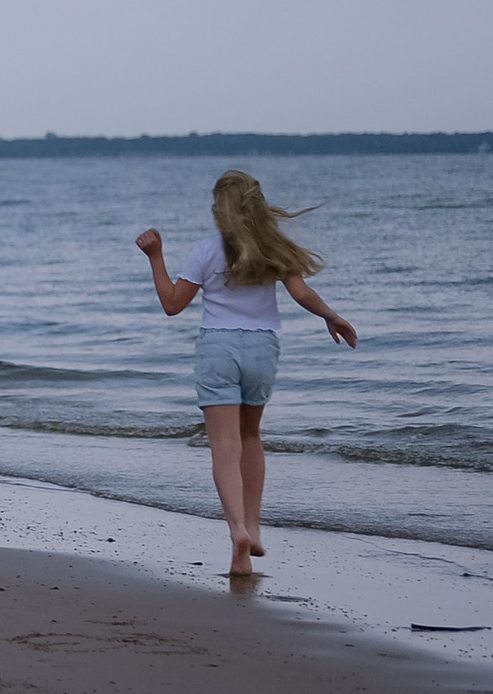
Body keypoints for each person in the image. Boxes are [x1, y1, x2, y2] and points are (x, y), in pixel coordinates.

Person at [137, 169, 356, 577]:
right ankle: (254, 527)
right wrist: (334, 317)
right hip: (262, 348)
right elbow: (302, 294)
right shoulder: (273, 249)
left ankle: (236, 530)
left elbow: (172, 304)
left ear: (219, 209)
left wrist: (156, 257)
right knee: (251, 436)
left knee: (223, 445)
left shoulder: (205, 252)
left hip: (218, 349)